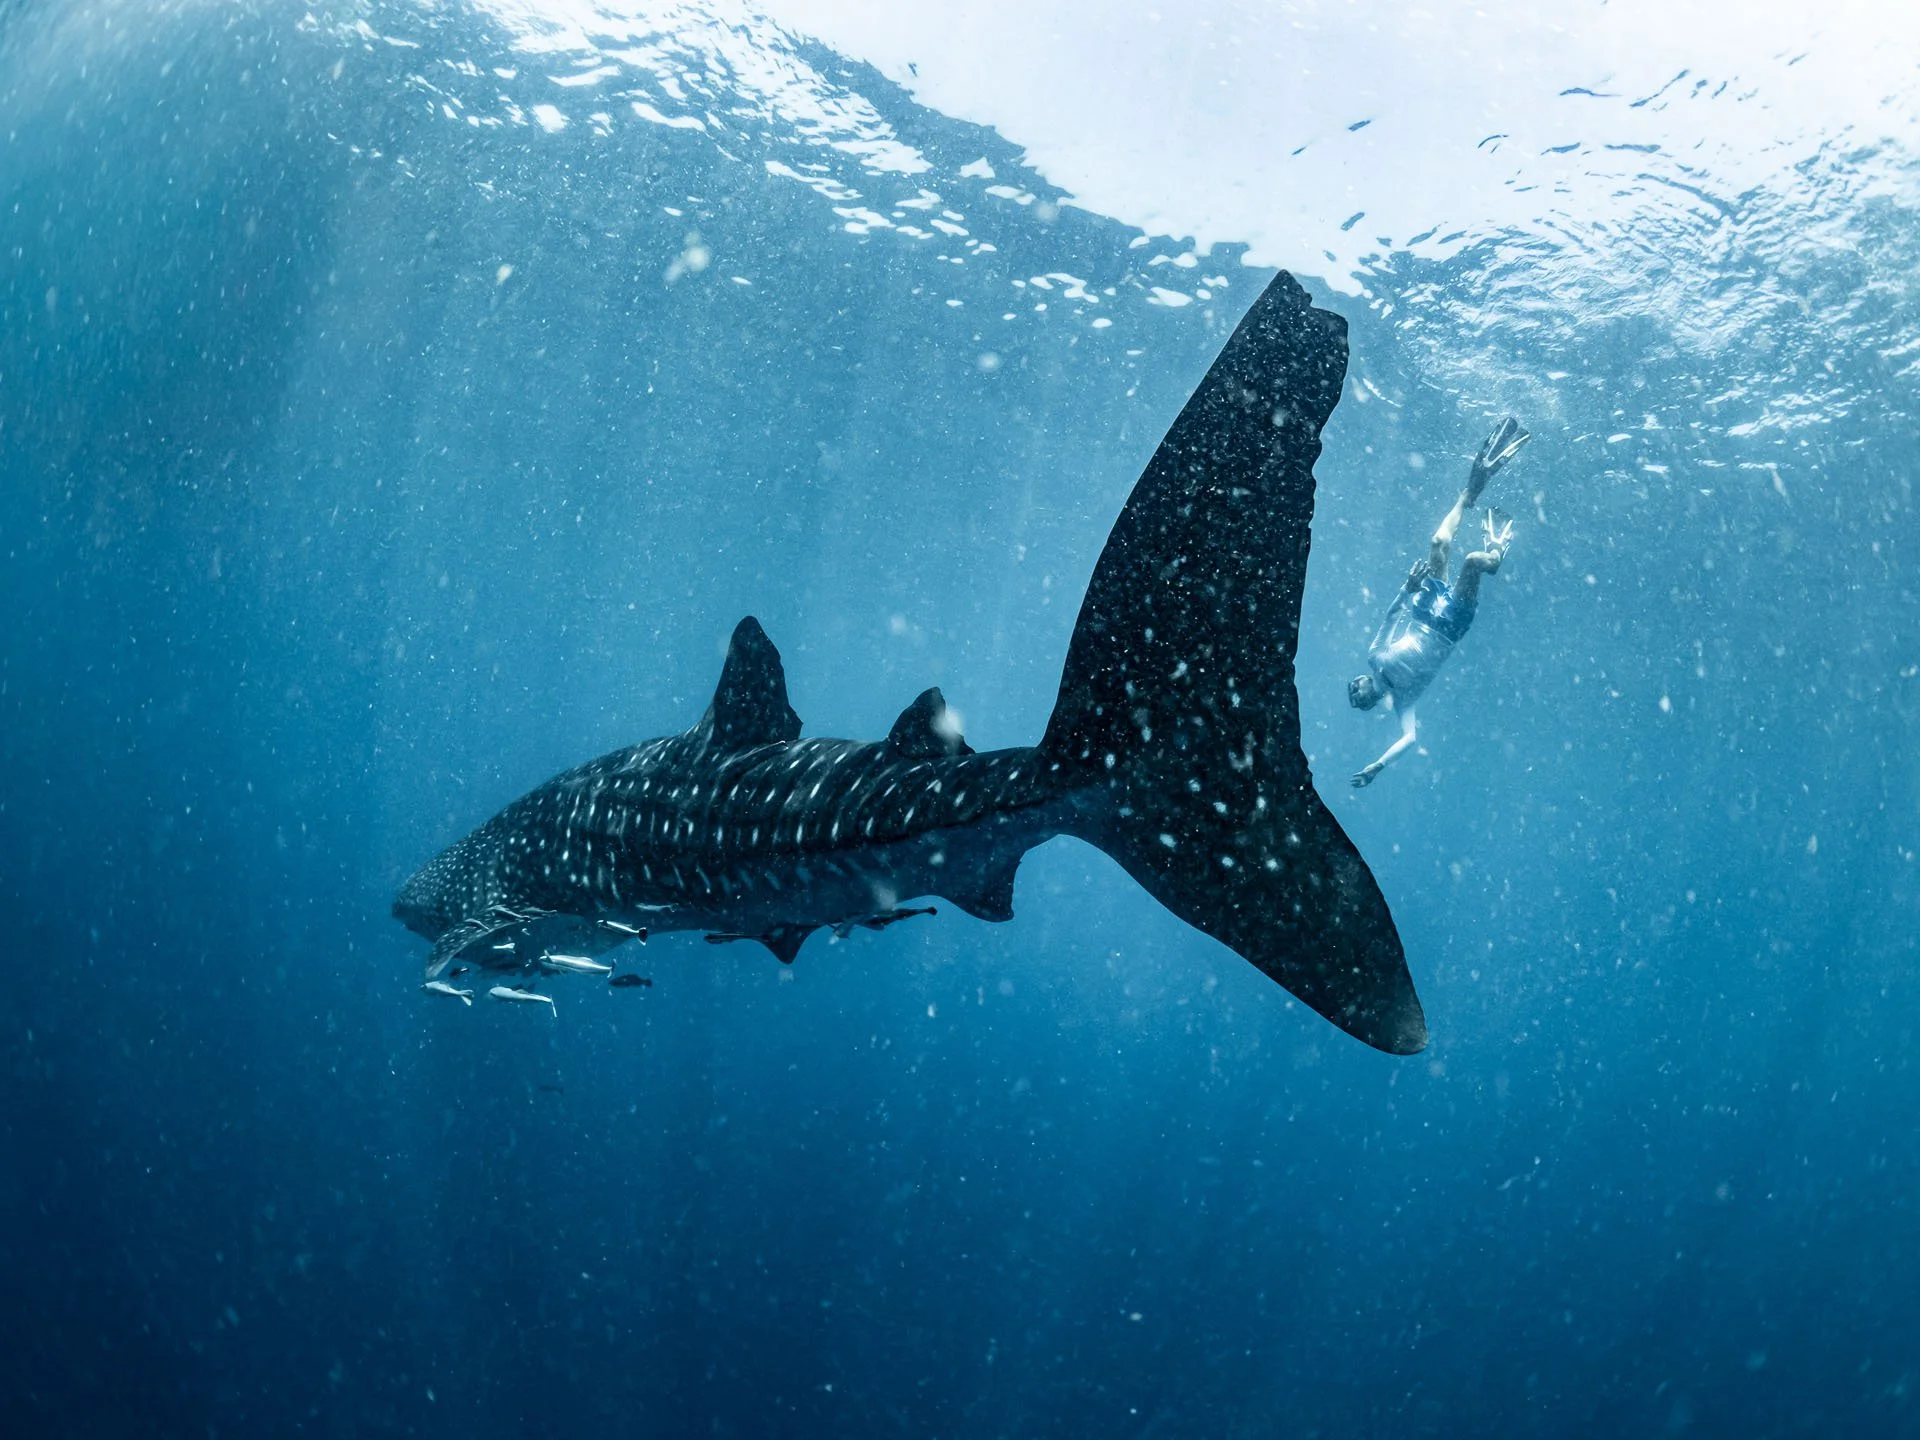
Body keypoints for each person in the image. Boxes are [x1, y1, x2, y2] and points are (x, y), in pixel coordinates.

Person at [1349, 417, 1530, 787]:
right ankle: (1496, 550)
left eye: (1352, 687)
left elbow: (1390, 617)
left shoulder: (1373, 656)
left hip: (1422, 611)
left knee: (1438, 543)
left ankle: (1473, 489)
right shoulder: (1404, 700)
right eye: (1356, 695)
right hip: (1449, 627)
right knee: (1474, 563)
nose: (1355, 687)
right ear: (1367, 701)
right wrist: (1377, 767)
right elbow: (1410, 739)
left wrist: (1407, 585)